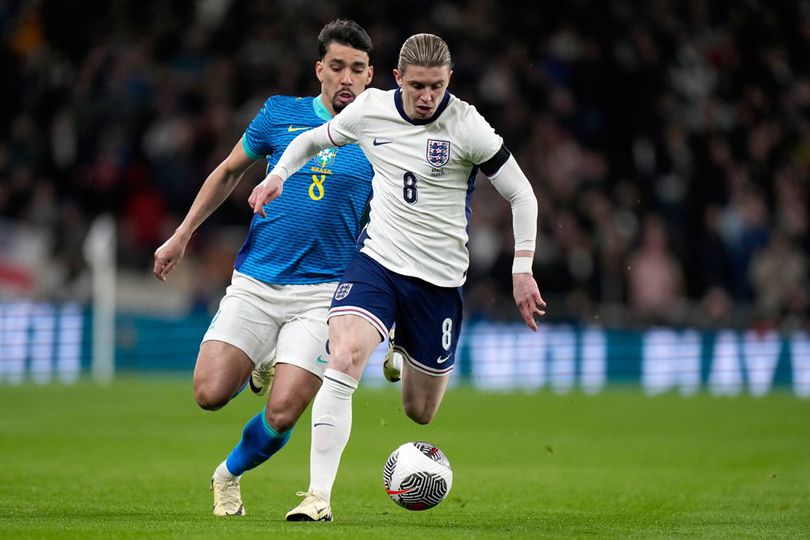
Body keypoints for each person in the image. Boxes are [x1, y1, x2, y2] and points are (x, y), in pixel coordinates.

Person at [249, 33, 546, 522]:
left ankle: (399, 342)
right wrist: (277, 175)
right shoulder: (369, 110)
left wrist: (522, 269)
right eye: (417, 87)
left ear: (448, 80)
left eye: (435, 86)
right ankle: (317, 497)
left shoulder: (467, 125)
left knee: (419, 412)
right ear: (397, 79)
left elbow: (523, 195)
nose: (427, 97)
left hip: (437, 282)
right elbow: (308, 140)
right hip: (378, 263)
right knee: (342, 357)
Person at [152, 20, 375, 518]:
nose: (346, 78)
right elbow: (230, 171)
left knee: (281, 412)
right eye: (337, 66)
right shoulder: (281, 114)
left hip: (324, 296)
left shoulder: (381, 136)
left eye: (357, 69)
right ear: (319, 69)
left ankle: (227, 473)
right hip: (256, 284)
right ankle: (262, 359)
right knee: (209, 395)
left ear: (370, 76)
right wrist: (182, 234)